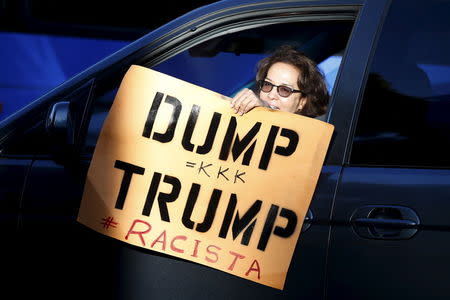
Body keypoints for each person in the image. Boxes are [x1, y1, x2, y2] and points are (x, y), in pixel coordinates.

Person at [230, 45, 329, 118]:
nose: (271, 95)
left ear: (302, 102)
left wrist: (266, 111)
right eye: (267, 85)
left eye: (285, 90)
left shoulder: (314, 141)